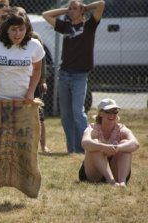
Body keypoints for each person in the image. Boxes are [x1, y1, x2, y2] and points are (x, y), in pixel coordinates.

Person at [42, 0, 105, 154]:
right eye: (70, 8)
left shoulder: (89, 25)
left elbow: (101, 4)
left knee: (78, 112)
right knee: (66, 115)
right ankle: (73, 149)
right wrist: (66, 10)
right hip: (64, 74)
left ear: (82, 10)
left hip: (79, 76)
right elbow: (45, 15)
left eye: (74, 8)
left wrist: (85, 7)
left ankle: (86, 147)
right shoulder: (66, 27)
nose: (71, 10)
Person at [0, 6, 45, 103]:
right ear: (6, 29)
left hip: (23, 101)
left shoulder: (34, 45)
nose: (17, 34)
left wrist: (31, 92)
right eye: (13, 29)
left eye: (21, 29)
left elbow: (37, 69)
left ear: (27, 29)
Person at [79, 98, 140, 187]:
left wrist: (118, 147)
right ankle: (112, 182)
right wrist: (103, 147)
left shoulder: (121, 129)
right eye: (108, 111)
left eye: (115, 112)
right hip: (94, 174)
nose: (112, 115)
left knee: (125, 143)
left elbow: (135, 144)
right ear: (100, 113)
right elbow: (84, 143)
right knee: (95, 143)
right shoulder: (92, 128)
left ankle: (122, 182)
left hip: (116, 172)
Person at [32, 32, 51, 154]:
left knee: (39, 117)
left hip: (34, 82)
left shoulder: (35, 37)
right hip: (17, 83)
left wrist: (42, 80)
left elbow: (42, 60)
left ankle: (43, 146)